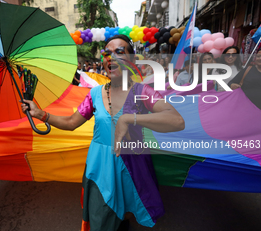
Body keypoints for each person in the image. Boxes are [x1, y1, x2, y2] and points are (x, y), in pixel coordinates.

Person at [21, 34, 185, 230]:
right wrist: (40, 114)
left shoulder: (143, 92)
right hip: (100, 167)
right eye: (107, 52)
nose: (111, 56)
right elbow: (71, 122)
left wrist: (129, 118)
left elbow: (176, 120)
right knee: (101, 221)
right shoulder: (94, 94)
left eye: (119, 52)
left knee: (127, 209)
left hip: (132, 164)